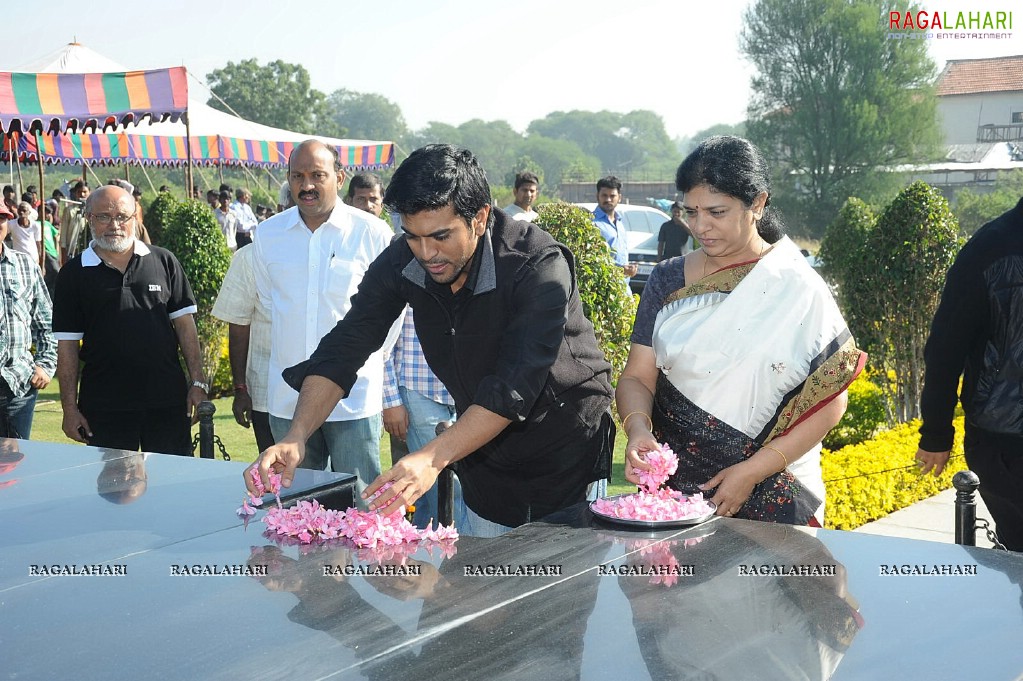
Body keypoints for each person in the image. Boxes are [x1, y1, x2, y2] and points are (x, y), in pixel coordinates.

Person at [247, 144, 615, 537]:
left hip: (564, 457)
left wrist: (431, 458)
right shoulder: (406, 258)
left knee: (554, 592)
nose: (426, 253)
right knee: (482, 583)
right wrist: (297, 435)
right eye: (413, 236)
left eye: (440, 236)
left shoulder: (537, 265)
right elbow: (347, 343)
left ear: (480, 217)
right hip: (480, 453)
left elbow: (513, 386)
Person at [617, 136, 864, 526]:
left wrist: (752, 471)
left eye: (716, 212)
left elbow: (832, 401)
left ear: (758, 204)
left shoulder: (796, 286)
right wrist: (637, 430)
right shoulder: (667, 280)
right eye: (691, 212)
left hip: (775, 488)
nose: (701, 226)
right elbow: (636, 376)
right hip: (674, 492)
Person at [250, 140, 398, 502]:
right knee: (297, 509)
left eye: (318, 175)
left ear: (339, 177)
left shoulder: (373, 234)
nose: (307, 185)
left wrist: (368, 364)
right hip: (288, 399)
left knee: (361, 507)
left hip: (354, 397)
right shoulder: (267, 235)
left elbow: (391, 314)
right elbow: (269, 304)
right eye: (298, 176)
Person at [52, 184, 207, 455]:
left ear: (135, 218)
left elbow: (185, 327)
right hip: (104, 405)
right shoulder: (72, 275)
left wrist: (197, 382)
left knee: (172, 487)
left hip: (166, 401)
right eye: (104, 217)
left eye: (122, 216)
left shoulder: (164, 261)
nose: (114, 224)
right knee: (110, 493)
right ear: (89, 218)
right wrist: (69, 408)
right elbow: (67, 347)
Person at [916, 197, 1023, 551]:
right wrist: (935, 434)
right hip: (1006, 445)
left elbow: (945, 349)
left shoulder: (990, 245)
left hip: (1000, 440)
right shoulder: (990, 248)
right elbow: (947, 349)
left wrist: (936, 434)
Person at [212, 245, 276, 453]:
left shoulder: (346, 243)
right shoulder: (253, 255)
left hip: (332, 395)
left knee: (341, 479)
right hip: (268, 394)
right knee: (278, 478)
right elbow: (238, 325)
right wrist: (240, 389)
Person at [0, 203, 56, 439]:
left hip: (18, 387)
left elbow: (48, 323)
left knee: (17, 470)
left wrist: (45, 365)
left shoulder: (24, 265)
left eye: (2, 218)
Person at [592, 176, 638, 279]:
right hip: (604, 287)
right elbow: (593, 259)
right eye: (604, 195)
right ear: (597, 196)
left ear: (619, 198)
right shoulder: (592, 223)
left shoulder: (620, 223)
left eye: (612, 196)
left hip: (624, 288)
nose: (608, 199)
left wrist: (629, 269)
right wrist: (620, 269)